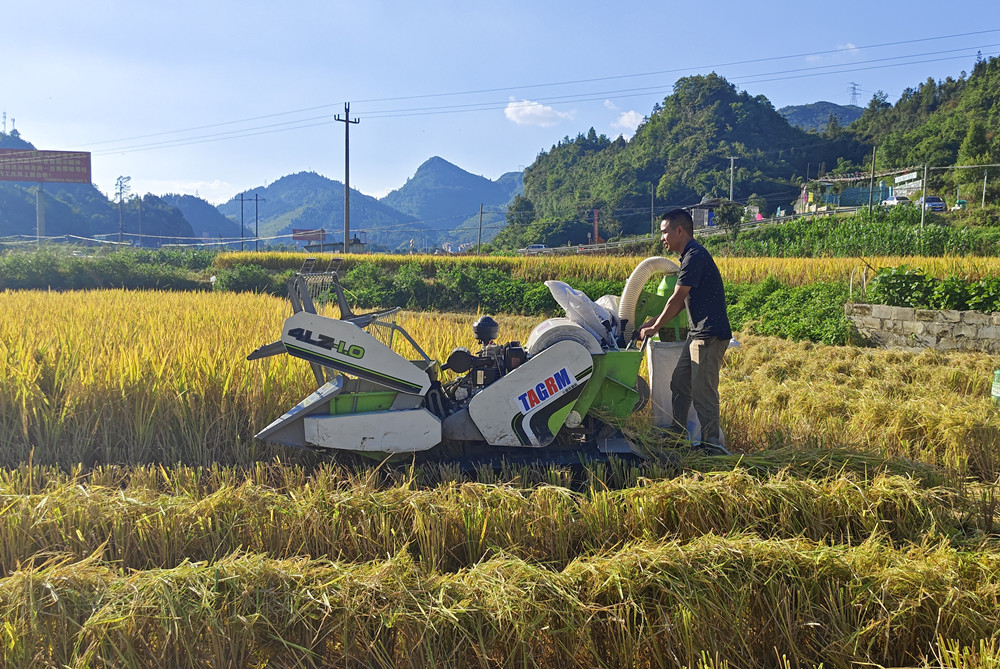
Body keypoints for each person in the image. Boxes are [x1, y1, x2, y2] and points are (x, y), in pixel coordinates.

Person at [639, 208, 731, 451]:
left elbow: (676, 299)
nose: (662, 238)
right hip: (696, 333)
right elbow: (682, 303)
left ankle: (712, 446)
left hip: (709, 334)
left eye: (664, 232)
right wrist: (653, 322)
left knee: (703, 392)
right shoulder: (689, 257)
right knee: (679, 383)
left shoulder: (694, 256)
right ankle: (677, 433)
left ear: (679, 230)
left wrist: (656, 326)